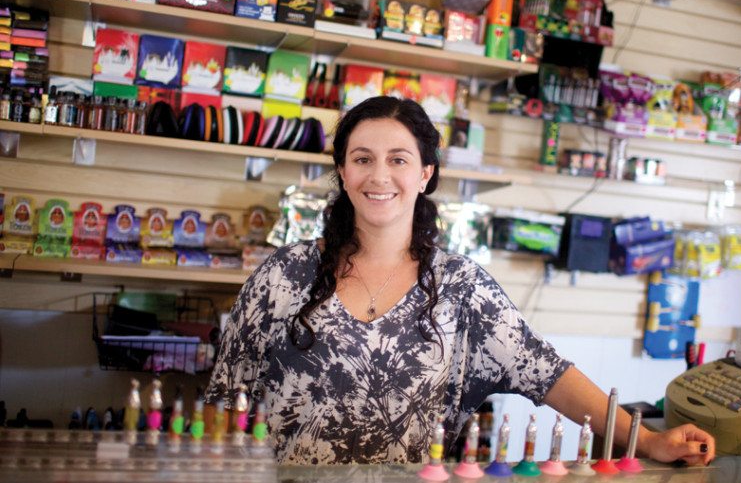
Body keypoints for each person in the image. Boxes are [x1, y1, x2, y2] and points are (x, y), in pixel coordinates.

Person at [205, 96, 715, 466]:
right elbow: (224, 400)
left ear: (425, 173)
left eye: (398, 159)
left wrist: (645, 440)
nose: (379, 176)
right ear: (343, 171)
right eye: (362, 159)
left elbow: (549, 374)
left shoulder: (461, 288)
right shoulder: (283, 276)